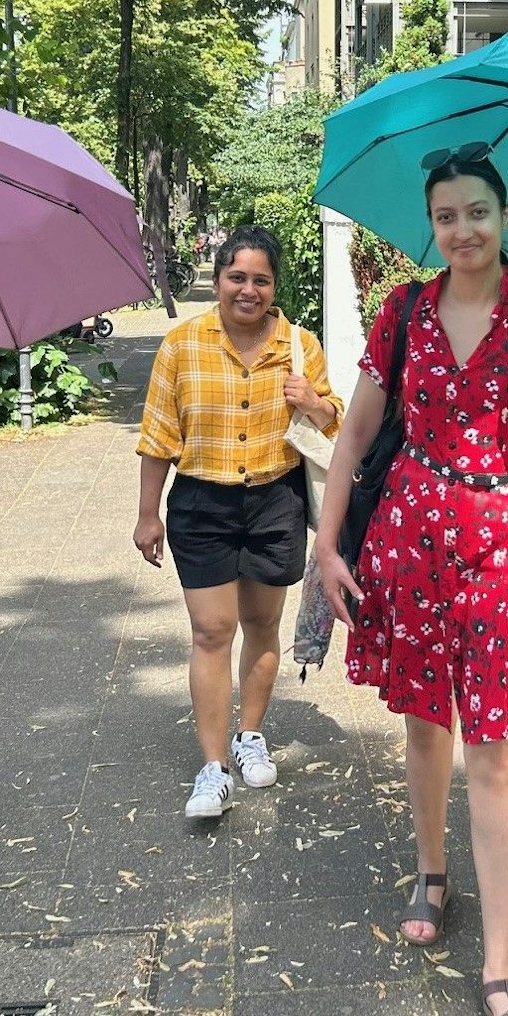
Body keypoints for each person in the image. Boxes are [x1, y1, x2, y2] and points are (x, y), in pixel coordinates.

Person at [312, 146, 508, 1016]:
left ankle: (502, 971)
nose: (462, 229)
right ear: (431, 225)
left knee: (499, 756)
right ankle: (434, 872)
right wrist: (325, 542)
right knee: (426, 726)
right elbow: (354, 434)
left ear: (505, 218)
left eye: (478, 211)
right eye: (446, 215)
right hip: (411, 538)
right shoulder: (403, 310)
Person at [134, 225, 341, 821]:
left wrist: (314, 402)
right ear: (219, 279)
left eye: (260, 279)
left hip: (276, 503)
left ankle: (249, 735)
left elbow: (334, 425)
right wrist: (148, 513)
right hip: (202, 503)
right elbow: (158, 435)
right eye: (236, 277)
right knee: (210, 630)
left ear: (275, 286)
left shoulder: (299, 345)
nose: (248, 290)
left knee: (260, 624)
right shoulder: (182, 345)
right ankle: (212, 766)